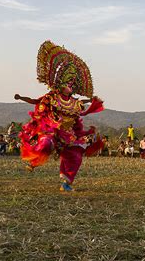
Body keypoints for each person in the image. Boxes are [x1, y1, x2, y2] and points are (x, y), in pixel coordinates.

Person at [15, 40, 104, 191]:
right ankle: (33, 161)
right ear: (60, 85)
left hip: (68, 135)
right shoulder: (52, 97)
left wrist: (92, 100)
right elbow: (35, 101)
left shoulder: (74, 102)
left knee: (76, 156)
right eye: (68, 84)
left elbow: (82, 104)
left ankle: (66, 183)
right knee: (46, 144)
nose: (70, 86)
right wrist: (21, 98)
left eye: (72, 84)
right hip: (52, 130)